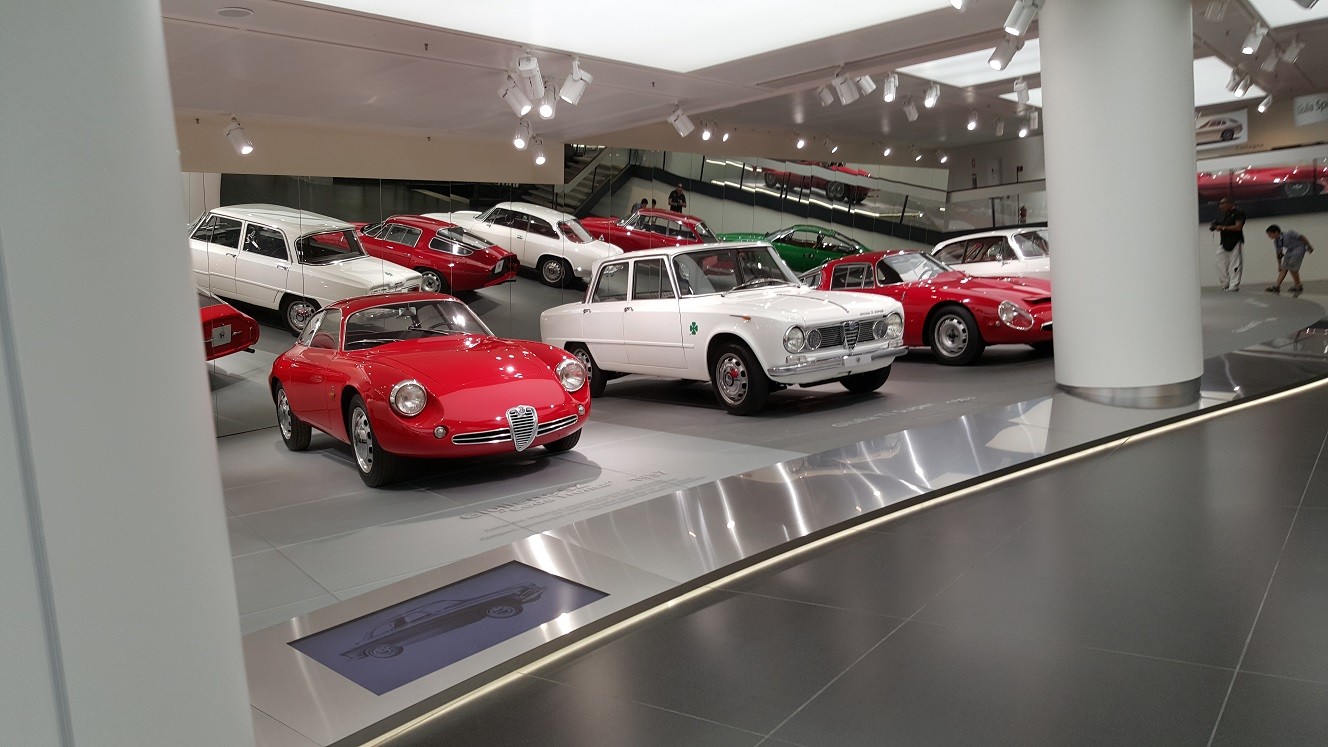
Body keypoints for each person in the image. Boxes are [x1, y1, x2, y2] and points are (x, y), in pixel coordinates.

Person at [1265, 224, 1314, 294]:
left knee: (1292, 268)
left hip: (1298, 248)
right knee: (1284, 268)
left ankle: (1298, 285)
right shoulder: (1276, 241)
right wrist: (1279, 265)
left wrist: (1309, 246)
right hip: (1290, 250)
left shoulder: (1289, 233)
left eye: (1270, 234)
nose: (1269, 236)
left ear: (1276, 232)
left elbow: (1301, 237)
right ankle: (1276, 286)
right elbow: (1279, 253)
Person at [1209, 197, 1245, 291]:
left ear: (1229, 203)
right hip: (1224, 242)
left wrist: (1222, 227)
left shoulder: (1239, 213)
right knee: (1219, 263)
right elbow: (1224, 226)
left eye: (1222, 205)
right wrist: (1216, 226)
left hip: (1235, 241)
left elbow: (1238, 227)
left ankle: (1234, 285)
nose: (1221, 208)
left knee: (1235, 264)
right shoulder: (1226, 214)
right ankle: (1225, 284)